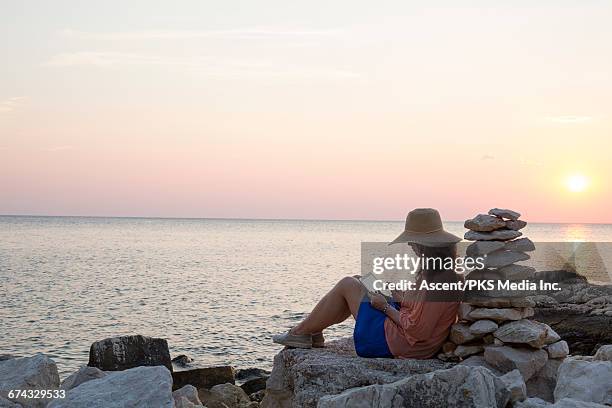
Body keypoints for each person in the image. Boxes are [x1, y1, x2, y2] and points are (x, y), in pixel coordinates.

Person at [273, 208, 462, 359]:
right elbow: (421, 310)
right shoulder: (438, 273)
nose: (411, 245)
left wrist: (385, 307)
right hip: (405, 337)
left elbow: (418, 330)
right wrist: (398, 294)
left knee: (348, 285)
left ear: (425, 245)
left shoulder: (439, 282)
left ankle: (301, 332)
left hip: (399, 344)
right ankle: (314, 331)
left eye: (413, 241)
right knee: (360, 280)